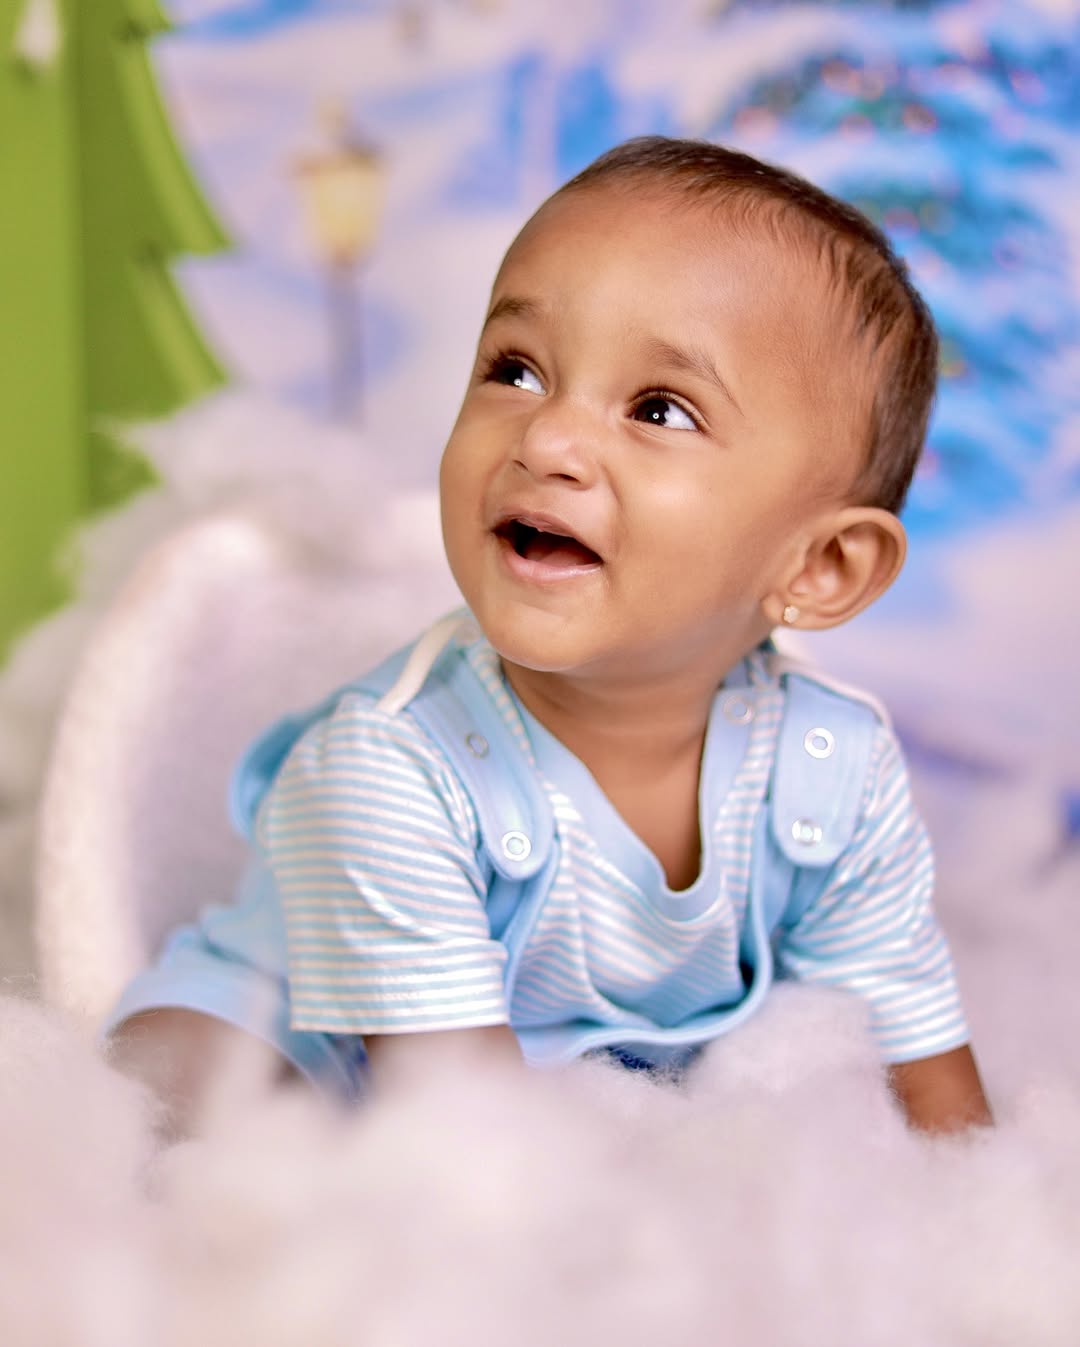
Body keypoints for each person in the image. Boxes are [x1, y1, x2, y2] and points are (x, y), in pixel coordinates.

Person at [107, 136, 992, 1137]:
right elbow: (465, 1134)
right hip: (328, 1047)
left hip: (561, 1086)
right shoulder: (388, 769)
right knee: (184, 1103)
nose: (547, 438)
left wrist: (982, 1209)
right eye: (517, 370)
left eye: (660, 410)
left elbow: (915, 1046)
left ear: (820, 567)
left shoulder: (832, 770)